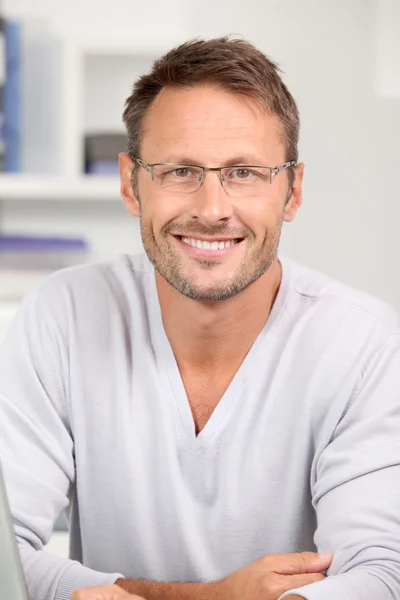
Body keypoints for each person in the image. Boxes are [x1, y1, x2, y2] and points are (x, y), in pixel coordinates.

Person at [0, 35, 399, 600]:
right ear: (130, 183)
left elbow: (381, 573)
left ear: (292, 191)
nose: (212, 209)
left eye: (244, 173)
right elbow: (4, 557)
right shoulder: (63, 316)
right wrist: (215, 596)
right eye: (179, 170)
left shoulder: (360, 341)